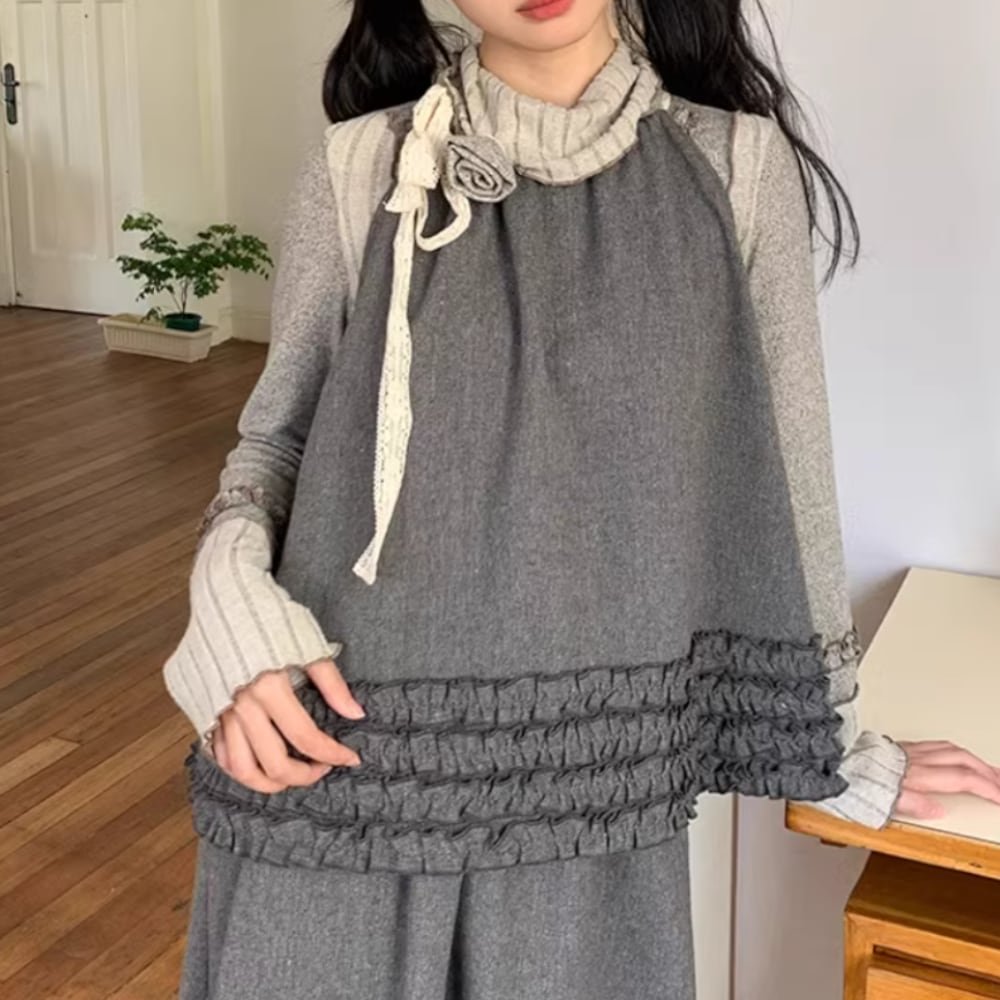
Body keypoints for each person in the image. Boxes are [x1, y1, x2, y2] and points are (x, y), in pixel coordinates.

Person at [164, 2, 1000, 998]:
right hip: (331, 769)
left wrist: (835, 742)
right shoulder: (358, 166)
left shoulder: (734, 167)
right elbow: (278, 443)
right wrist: (232, 625)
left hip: (592, 810)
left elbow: (786, 477)